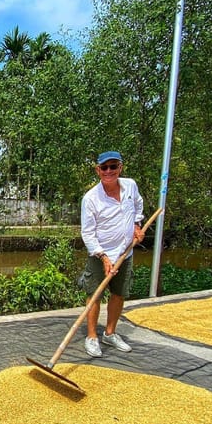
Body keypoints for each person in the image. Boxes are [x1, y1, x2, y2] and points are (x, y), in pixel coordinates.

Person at [79, 150, 145, 357]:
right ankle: (92, 337)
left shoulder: (130, 186)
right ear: (98, 170)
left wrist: (136, 225)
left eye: (113, 166)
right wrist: (104, 257)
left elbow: (138, 205)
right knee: (95, 295)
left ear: (120, 167)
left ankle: (110, 333)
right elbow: (88, 233)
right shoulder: (90, 199)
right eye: (104, 167)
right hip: (100, 254)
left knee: (119, 293)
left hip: (125, 252)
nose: (109, 171)